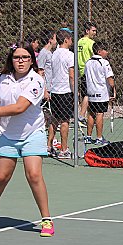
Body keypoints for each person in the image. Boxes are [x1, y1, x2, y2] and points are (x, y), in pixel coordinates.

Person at [0, 42, 54, 237]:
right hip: (7, 134)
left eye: (25, 57)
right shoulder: (2, 78)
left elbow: (19, 108)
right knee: (0, 177)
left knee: (33, 175)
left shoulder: (37, 80)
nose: (21, 61)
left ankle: (46, 219)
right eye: (17, 57)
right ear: (12, 60)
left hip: (32, 133)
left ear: (31, 60)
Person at [47, 29, 75, 159]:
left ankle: (49, 147)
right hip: (65, 91)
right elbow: (71, 76)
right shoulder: (70, 55)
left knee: (54, 119)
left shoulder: (53, 54)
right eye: (70, 39)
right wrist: (75, 92)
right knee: (65, 121)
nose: (71, 41)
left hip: (55, 91)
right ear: (65, 40)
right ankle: (64, 150)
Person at [84, 41, 115, 145]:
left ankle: (88, 137)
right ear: (99, 51)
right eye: (105, 50)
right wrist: (113, 92)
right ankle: (99, 138)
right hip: (101, 94)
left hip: (91, 93)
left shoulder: (88, 62)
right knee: (99, 114)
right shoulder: (104, 63)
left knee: (91, 114)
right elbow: (110, 79)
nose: (107, 52)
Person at [77, 21, 97, 125]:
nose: (95, 33)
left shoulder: (79, 41)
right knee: (87, 95)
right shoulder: (91, 43)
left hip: (81, 70)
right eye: (93, 31)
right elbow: (95, 55)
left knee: (85, 94)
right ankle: (81, 116)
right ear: (87, 31)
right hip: (88, 71)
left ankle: (86, 115)